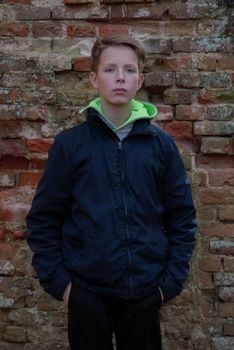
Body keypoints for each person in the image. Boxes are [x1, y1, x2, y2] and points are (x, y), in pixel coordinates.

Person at [26, 33, 197, 350]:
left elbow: (182, 218)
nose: (120, 77)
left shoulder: (161, 146)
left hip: (146, 291)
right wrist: (64, 287)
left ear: (140, 80)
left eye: (129, 70)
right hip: (86, 292)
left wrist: (167, 284)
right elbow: (43, 220)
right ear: (94, 78)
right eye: (110, 69)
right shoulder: (70, 145)